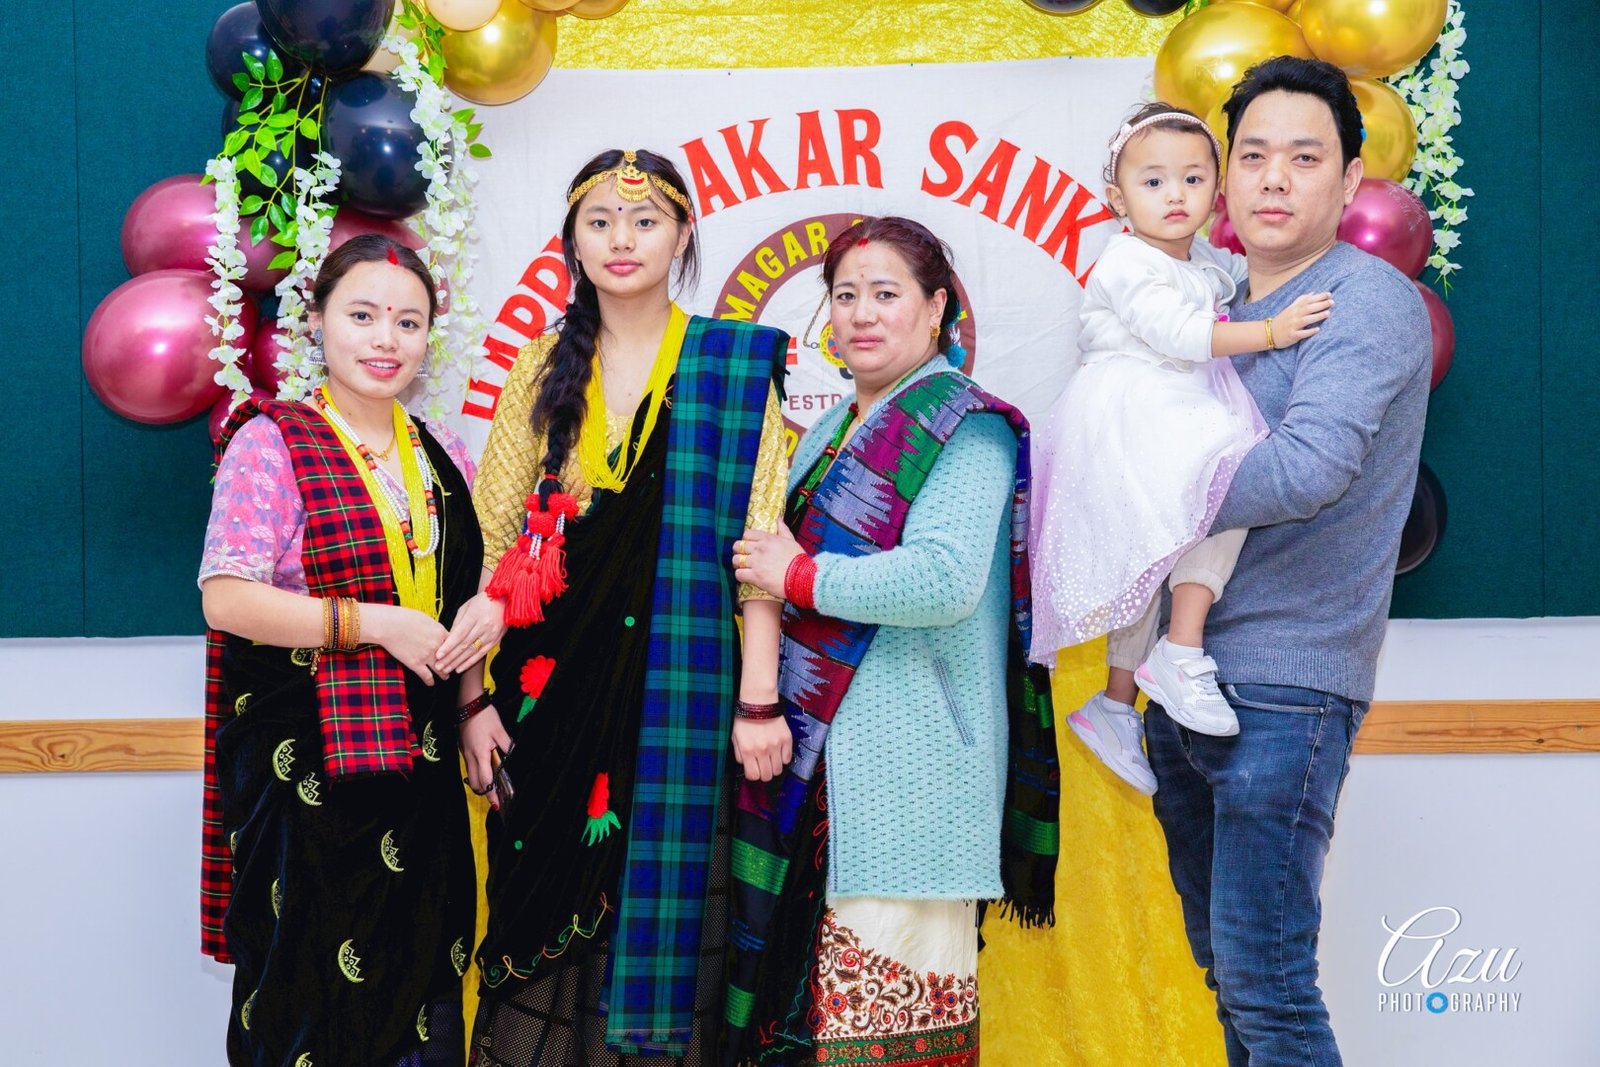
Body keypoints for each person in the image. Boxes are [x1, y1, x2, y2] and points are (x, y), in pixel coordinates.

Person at [447, 149, 791, 1065]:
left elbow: (761, 549)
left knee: (671, 920)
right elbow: (490, 544)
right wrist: (472, 702)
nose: (622, 239)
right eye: (599, 222)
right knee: (536, 919)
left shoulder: (727, 364)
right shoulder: (539, 365)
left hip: (681, 695)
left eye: (644, 221)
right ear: (572, 241)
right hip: (546, 700)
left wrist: (759, 702)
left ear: (682, 237)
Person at [1144, 57, 1432, 1066]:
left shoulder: (1366, 300)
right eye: (1253, 155)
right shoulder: (1202, 298)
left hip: (1287, 682)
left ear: (1349, 181)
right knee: (1230, 977)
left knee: (1267, 986)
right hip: (1178, 677)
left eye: (1304, 158)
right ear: (1224, 176)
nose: (1273, 178)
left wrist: (1133, 493)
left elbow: (1305, 470)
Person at [725, 216, 1060, 1066]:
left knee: (890, 1036)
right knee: (801, 1032)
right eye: (845, 296)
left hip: (911, 779)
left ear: (937, 306)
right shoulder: (829, 430)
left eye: (886, 293)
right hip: (812, 774)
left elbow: (943, 581)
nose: (862, 314)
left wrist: (801, 576)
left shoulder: (967, 425)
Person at [199, 234, 482, 1066]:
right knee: (307, 1000)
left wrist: (474, 700)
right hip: (307, 776)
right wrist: (377, 624)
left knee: (423, 983)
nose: (386, 339)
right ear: (316, 322)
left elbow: (461, 600)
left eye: (408, 321)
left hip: (424, 772)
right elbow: (226, 598)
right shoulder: (271, 443)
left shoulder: (444, 451)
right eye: (362, 316)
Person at [1029, 101, 1333, 796]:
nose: (1176, 196)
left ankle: (1114, 704)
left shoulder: (1200, 260)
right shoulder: (1126, 262)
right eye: (1154, 181)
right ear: (1117, 199)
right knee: (1224, 479)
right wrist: (1274, 332)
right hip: (1141, 409)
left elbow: (1238, 274)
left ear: (1215, 191)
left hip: (1167, 402)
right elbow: (1182, 334)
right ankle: (1183, 646)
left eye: (1193, 180)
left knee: (1152, 553)